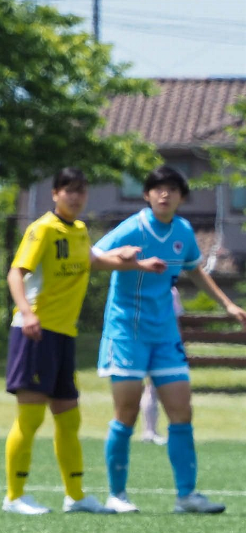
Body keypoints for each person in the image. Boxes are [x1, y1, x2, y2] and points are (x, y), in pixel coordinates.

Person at [3, 167, 158, 516]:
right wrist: (27, 313)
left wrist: (138, 264)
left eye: (81, 191)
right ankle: (14, 496)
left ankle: (76, 496)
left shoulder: (79, 231)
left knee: (69, 419)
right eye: (68, 190)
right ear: (55, 193)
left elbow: (93, 261)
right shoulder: (42, 228)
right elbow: (16, 272)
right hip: (35, 333)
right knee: (30, 418)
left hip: (63, 335)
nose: (75, 196)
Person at [96, 165, 246, 514]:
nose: (165, 194)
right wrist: (134, 263)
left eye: (172, 189)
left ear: (181, 196)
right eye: (158, 188)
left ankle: (187, 496)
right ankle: (116, 495)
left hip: (164, 333)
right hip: (126, 333)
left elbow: (194, 267)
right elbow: (92, 258)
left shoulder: (183, 230)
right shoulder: (133, 228)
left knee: (181, 410)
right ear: (147, 195)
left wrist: (227, 304)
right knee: (127, 413)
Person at [139, 286, 182, 445]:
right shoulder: (168, 290)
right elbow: (175, 321)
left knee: (154, 388)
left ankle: (151, 430)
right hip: (156, 343)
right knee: (152, 388)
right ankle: (149, 431)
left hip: (153, 343)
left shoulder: (168, 290)